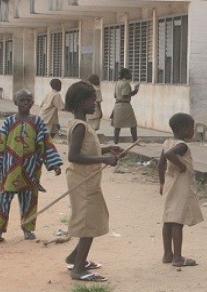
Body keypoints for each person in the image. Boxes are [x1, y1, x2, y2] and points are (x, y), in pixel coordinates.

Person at [64, 81, 124, 282]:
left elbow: (86, 150)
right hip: (84, 180)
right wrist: (104, 159)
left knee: (89, 217)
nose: (96, 104)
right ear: (82, 102)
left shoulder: (80, 124)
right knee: (88, 222)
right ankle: (78, 269)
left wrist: (108, 149)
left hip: (84, 178)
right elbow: (74, 156)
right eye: (93, 100)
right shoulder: (80, 126)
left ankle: (75, 257)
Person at [0, 89, 63, 242]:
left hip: (30, 169)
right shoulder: (8, 122)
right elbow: (0, 142)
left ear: (32, 103)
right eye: (22, 100)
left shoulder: (38, 122)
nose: (25, 103)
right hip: (9, 169)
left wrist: (54, 164)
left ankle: (28, 230)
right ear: (16, 102)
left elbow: (47, 143)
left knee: (28, 200)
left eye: (28, 100)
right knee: (4, 199)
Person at [158, 113, 204, 267]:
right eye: (192, 127)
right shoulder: (183, 145)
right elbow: (169, 154)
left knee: (168, 219)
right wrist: (182, 165)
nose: (194, 130)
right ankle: (177, 257)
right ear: (184, 129)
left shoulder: (166, 142)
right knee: (177, 221)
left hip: (169, 184)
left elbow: (160, 164)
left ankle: (167, 254)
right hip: (181, 186)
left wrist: (161, 183)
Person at [111, 68, 139, 144]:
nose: (131, 74)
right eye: (129, 73)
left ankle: (115, 142)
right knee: (133, 124)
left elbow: (115, 95)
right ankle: (135, 141)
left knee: (117, 126)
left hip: (117, 106)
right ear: (126, 74)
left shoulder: (118, 83)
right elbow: (125, 95)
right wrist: (135, 91)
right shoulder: (126, 83)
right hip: (125, 105)